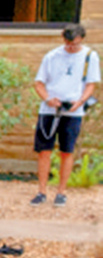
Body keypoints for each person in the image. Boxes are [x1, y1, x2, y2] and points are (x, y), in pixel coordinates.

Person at [32, 23, 99, 206]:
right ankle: (41, 192)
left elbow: (91, 84)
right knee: (44, 151)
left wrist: (80, 102)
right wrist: (48, 99)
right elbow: (39, 83)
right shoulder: (52, 56)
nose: (71, 47)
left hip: (73, 112)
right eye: (68, 43)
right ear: (63, 39)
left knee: (66, 151)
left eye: (75, 44)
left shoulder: (89, 56)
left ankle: (61, 192)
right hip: (49, 110)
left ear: (82, 40)